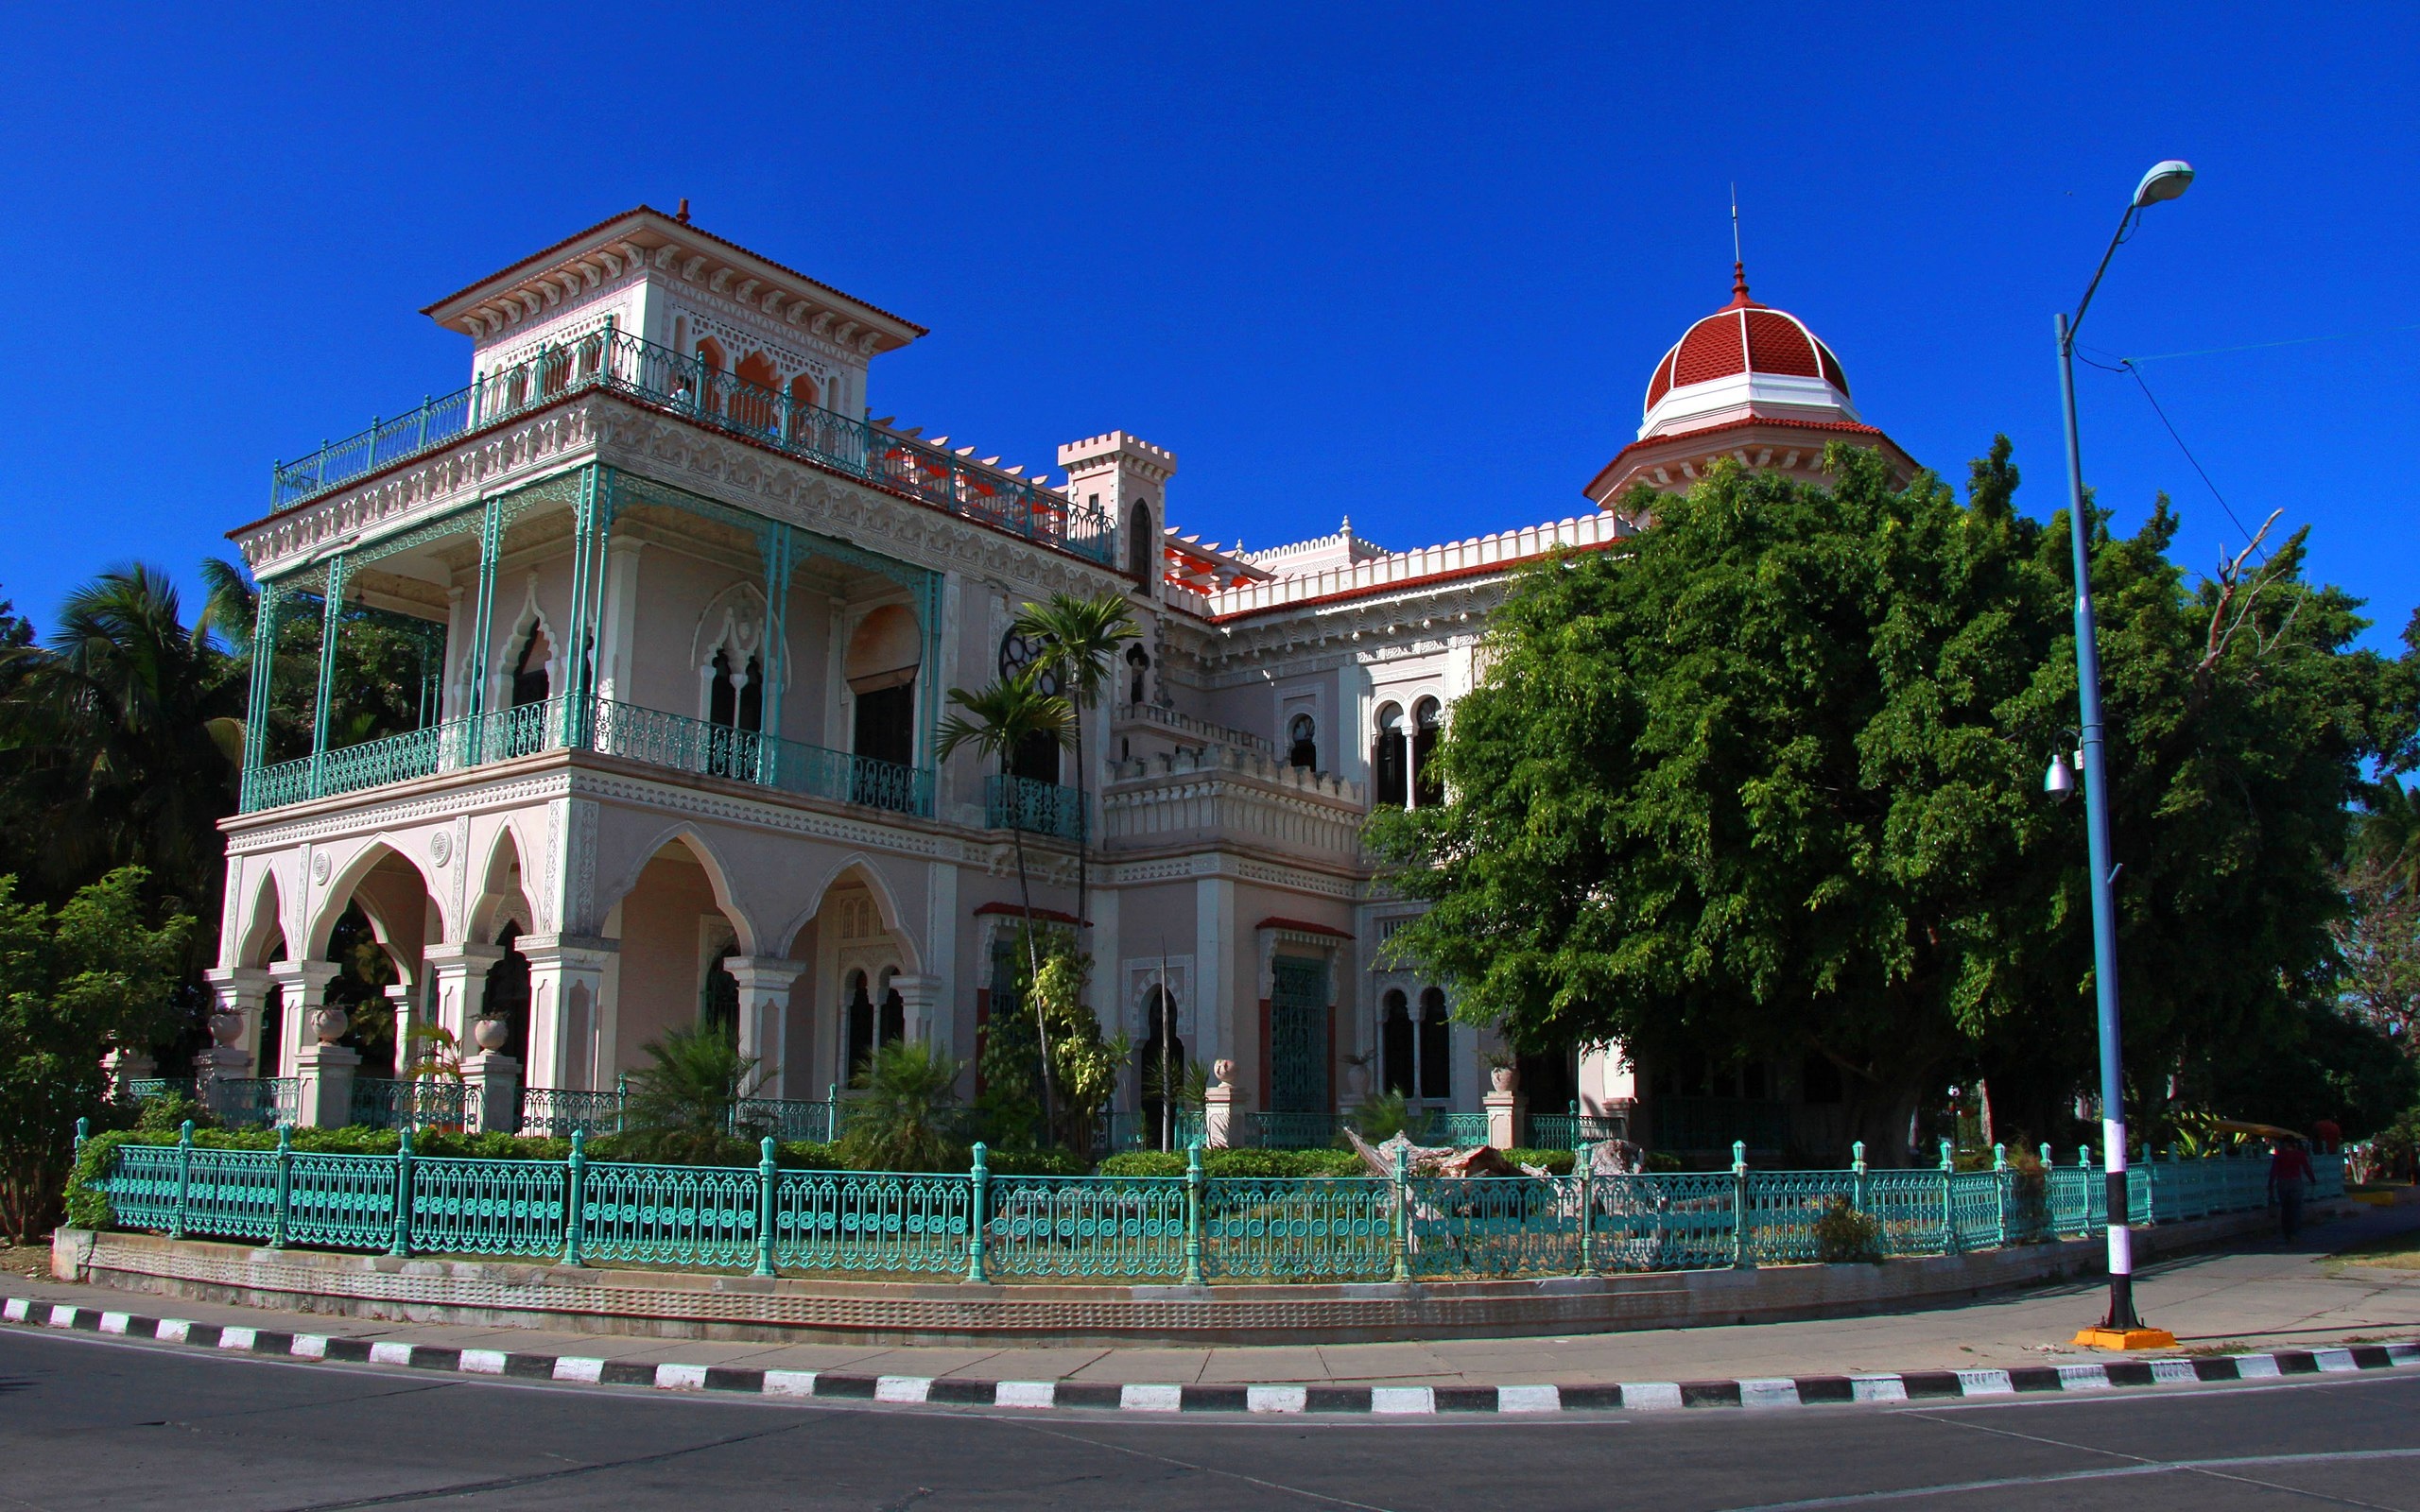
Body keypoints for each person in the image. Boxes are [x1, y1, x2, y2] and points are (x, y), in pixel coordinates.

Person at [2268, 1138, 2316, 1242]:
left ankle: (2287, 1233)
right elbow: (2306, 1168)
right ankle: (2295, 1233)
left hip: (2282, 1182)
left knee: (2285, 1209)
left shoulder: (2279, 1155)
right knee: (2296, 1209)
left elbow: (2274, 1171)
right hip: (2295, 1182)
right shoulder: (2299, 1154)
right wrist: (2312, 1179)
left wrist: (2271, 1184)